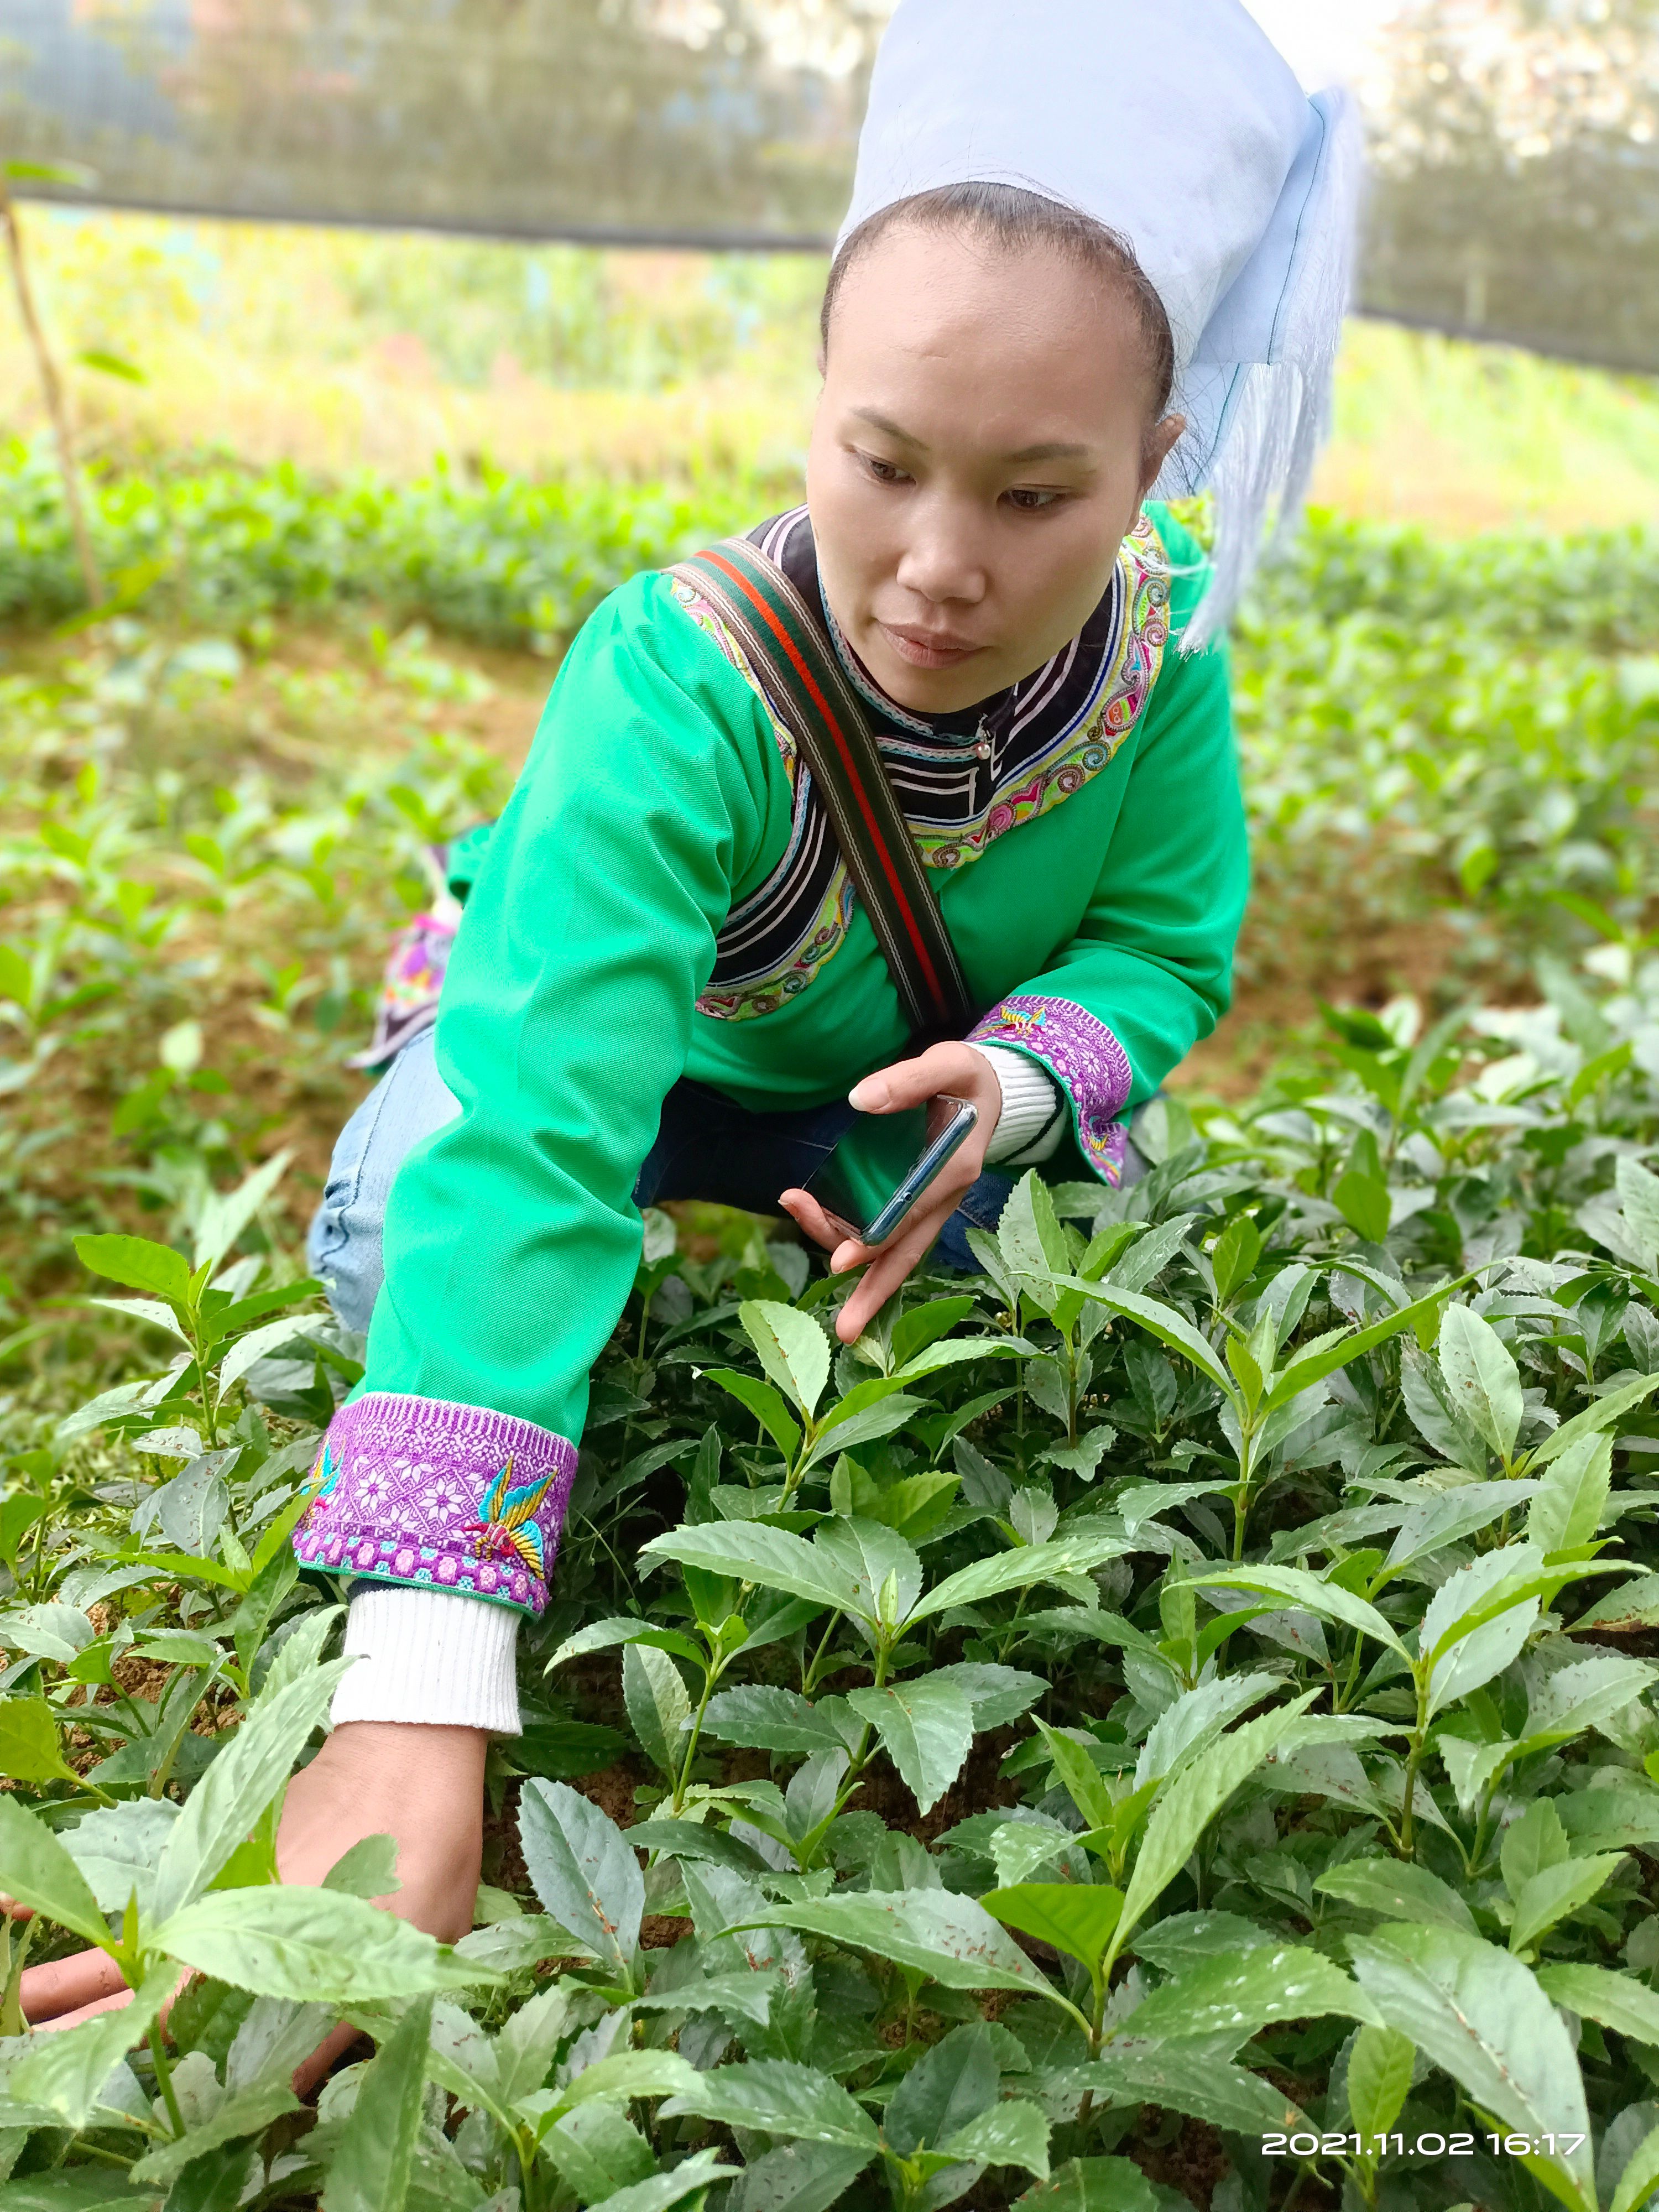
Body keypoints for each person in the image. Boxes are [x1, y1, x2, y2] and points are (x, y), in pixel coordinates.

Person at [19, 0, 1358, 2034]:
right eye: (883, 463)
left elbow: (1164, 952)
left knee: (1052, 1278)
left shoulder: (1157, 663)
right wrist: (421, 1682)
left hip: (875, 1099)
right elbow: (550, 1113)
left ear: (1153, 472)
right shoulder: (678, 683)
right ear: (814, 397)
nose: (935, 567)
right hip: (632, 1060)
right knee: (413, 1231)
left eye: (1035, 497)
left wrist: (1011, 1082)